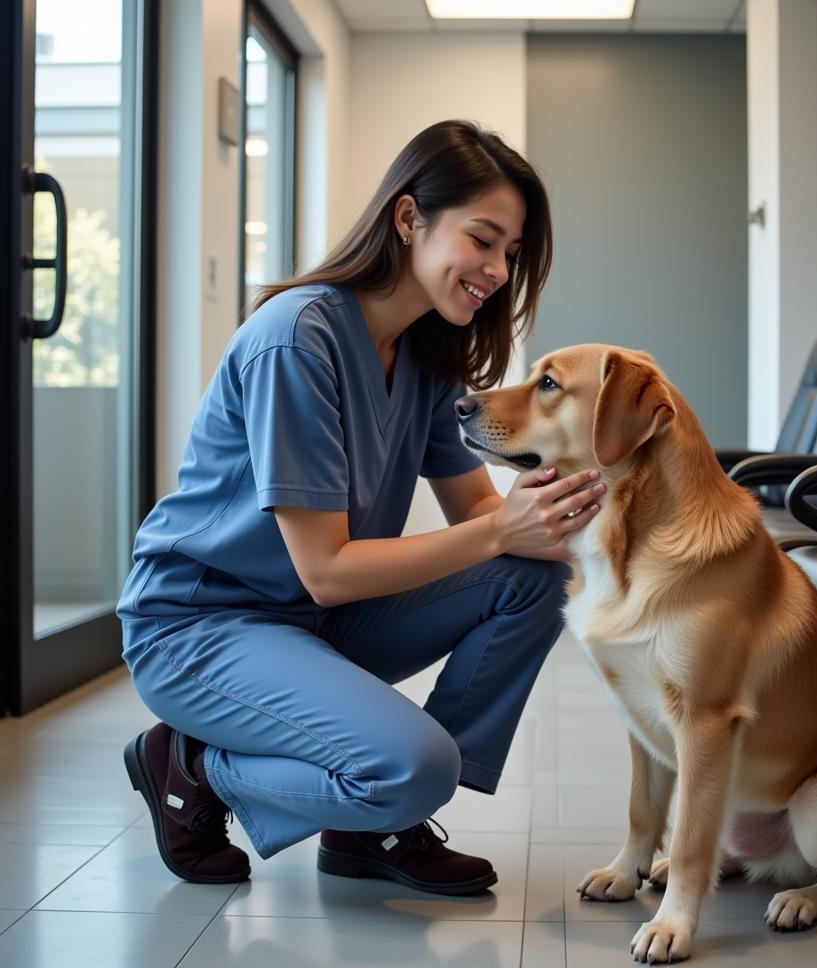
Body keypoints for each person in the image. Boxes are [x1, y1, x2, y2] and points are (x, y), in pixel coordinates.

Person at [117, 119, 606, 895]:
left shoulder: (424, 355)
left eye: (510, 254)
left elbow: (483, 516)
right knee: (418, 765)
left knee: (530, 578)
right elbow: (329, 571)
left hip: (306, 622)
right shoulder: (298, 340)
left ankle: (369, 822)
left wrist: (614, 525)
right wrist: (501, 530)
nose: (497, 270)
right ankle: (194, 764)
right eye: (483, 240)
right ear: (409, 218)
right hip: (200, 626)